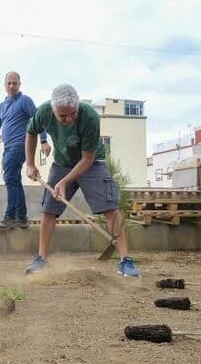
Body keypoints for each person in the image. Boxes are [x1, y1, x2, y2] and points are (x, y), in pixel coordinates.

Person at [24, 84, 141, 277]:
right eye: (63, 116)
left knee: (110, 208)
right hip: (62, 162)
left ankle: (125, 261)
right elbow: (31, 132)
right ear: (53, 111)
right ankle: (41, 259)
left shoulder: (90, 117)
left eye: (73, 113)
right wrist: (30, 163)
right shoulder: (43, 111)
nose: (69, 118)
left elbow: (87, 159)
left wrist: (65, 182)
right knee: (49, 210)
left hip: (92, 163)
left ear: (78, 106)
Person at [0, 72, 49, 230]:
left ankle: (10, 216)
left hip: (20, 145)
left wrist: (43, 140)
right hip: (7, 147)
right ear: (4, 85)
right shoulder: (2, 106)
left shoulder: (25, 101)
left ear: (19, 84)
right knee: (14, 180)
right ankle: (22, 217)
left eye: (14, 83)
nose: (11, 86)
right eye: (9, 83)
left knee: (9, 177)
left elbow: (38, 119)